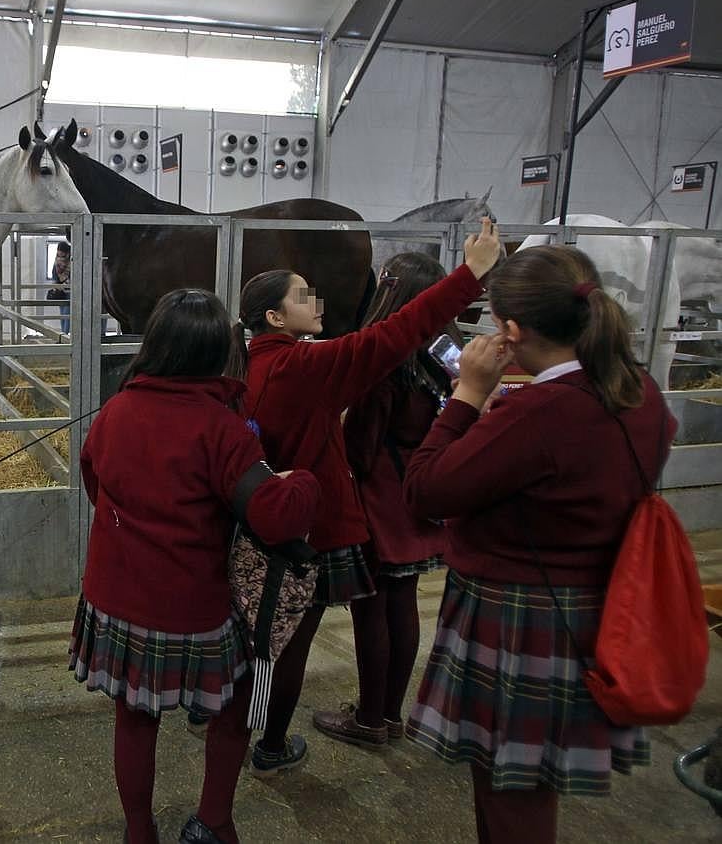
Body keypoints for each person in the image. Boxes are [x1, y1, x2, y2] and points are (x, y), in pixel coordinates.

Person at [403, 244, 676, 844]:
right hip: (595, 609)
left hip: (521, 615)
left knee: (509, 794)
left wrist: (469, 397)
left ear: (509, 329)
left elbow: (426, 489)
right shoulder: (640, 392)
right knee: (531, 784)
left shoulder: (538, 414)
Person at [226, 217, 502, 773]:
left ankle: (238, 727)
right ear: (277, 316)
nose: (318, 299)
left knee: (258, 635)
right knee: (289, 645)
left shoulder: (247, 367)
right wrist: (469, 275)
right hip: (310, 529)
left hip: (259, 520)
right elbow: (393, 335)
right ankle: (269, 744)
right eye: (304, 295)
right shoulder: (305, 367)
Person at [70, 288, 321, 844]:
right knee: (231, 708)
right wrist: (304, 479)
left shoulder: (113, 411)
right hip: (192, 608)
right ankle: (214, 820)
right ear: (218, 353)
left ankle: (140, 830)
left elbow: (96, 486)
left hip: (114, 599)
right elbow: (276, 518)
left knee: (134, 717)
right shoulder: (221, 429)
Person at [322, 253, 456, 749]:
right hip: (419, 492)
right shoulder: (446, 352)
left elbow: (361, 443)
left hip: (379, 495)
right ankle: (393, 713)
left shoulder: (388, 360)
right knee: (404, 606)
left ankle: (370, 718)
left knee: (371, 610)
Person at [46, 240, 72, 334]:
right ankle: (63, 334)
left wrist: (65, 284)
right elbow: (54, 274)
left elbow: (75, 275)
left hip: (70, 291)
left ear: (66, 252)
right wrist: (56, 285)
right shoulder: (57, 260)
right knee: (63, 314)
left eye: (62, 255)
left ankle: (65, 334)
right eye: (59, 254)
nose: (60, 257)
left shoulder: (72, 260)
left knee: (67, 313)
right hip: (60, 291)